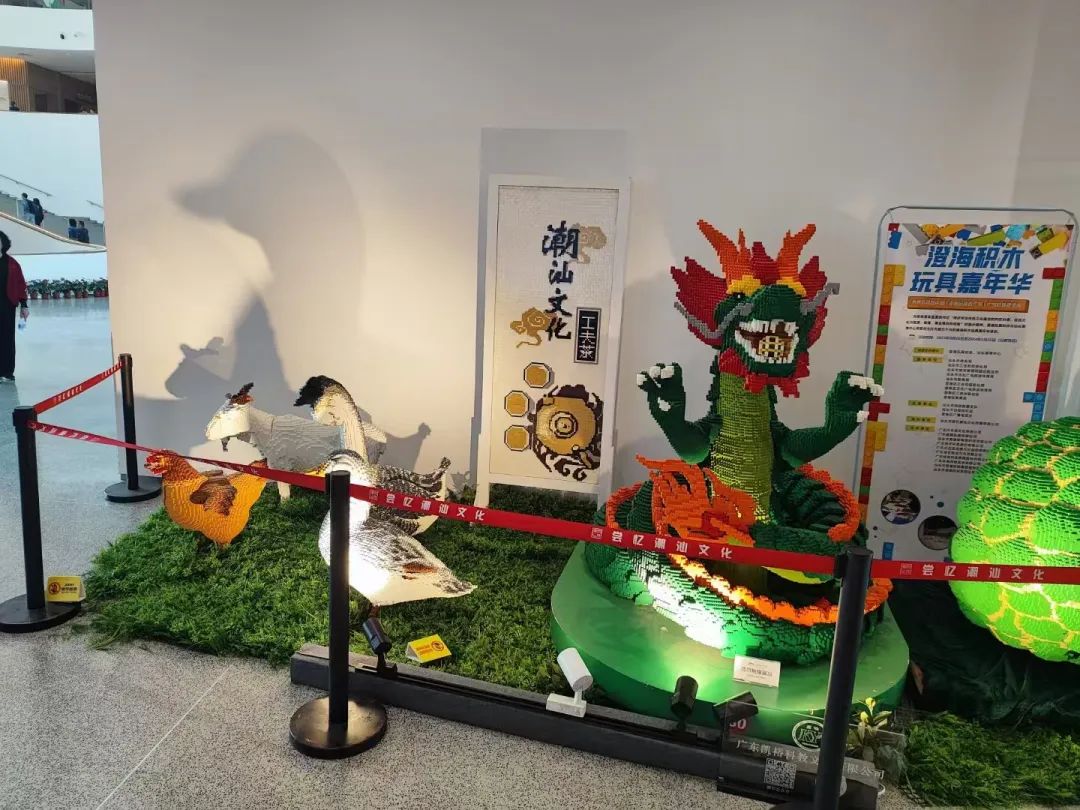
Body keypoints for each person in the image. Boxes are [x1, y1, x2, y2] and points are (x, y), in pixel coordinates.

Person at [0, 231, 29, 383]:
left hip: (7, 306)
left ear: (3, 244)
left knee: (7, 339)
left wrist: (24, 305)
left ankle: (7, 371)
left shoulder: (12, 264)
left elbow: (20, 284)